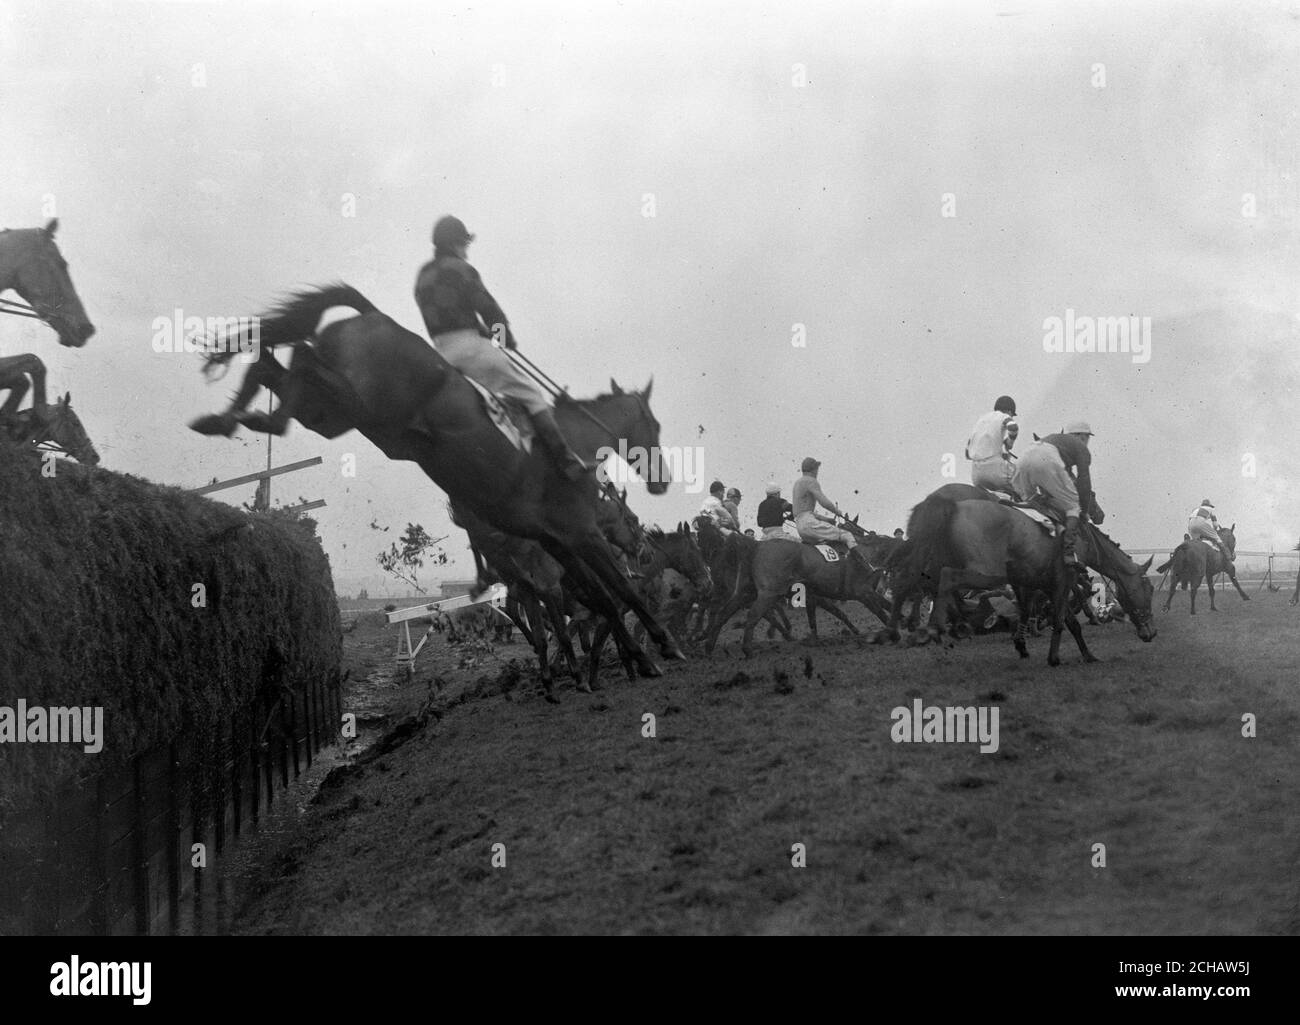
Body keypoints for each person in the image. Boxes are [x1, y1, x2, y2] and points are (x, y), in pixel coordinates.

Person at [414, 215, 588, 480]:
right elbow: (488, 309)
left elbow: (450, 314)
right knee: (531, 394)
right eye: (464, 244)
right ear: (455, 244)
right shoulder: (462, 269)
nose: (466, 250)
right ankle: (567, 462)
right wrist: (504, 338)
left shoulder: (423, 277)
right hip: (472, 349)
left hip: (440, 356)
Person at [1011, 420, 1105, 571]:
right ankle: (1069, 554)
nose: (1087, 441)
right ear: (1080, 436)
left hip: (1024, 458)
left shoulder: (1055, 442)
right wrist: (1084, 511)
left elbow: (1059, 485)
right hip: (1047, 460)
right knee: (1073, 507)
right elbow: (1084, 483)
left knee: (1029, 500)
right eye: (1087, 437)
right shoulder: (1080, 449)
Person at [792, 457, 864, 562]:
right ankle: (862, 563)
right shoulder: (811, 481)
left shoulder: (797, 483)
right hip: (808, 523)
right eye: (817, 469)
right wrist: (836, 511)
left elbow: (805, 511)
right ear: (814, 469)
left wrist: (826, 519)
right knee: (847, 535)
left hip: (800, 525)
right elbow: (823, 501)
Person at [965, 395, 1019, 495]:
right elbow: (1013, 427)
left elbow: (967, 454)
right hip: (995, 472)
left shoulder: (981, 419)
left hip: (976, 475)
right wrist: (1009, 443)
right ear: (1009, 411)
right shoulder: (1003, 416)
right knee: (1024, 480)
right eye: (1012, 414)